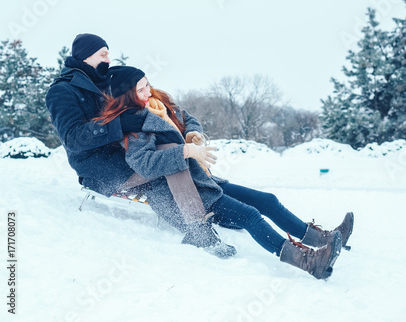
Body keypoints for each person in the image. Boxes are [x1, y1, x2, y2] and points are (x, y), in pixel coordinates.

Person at [94, 65, 355, 279]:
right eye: (141, 89)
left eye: (147, 83)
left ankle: (324, 239)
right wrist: (185, 152)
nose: (148, 90)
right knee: (250, 216)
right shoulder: (134, 125)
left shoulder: (158, 104)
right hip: (185, 193)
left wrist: (192, 133)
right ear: (127, 95)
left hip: (202, 179)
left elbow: (185, 117)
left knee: (268, 201)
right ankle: (309, 262)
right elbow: (145, 164)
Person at [45, 34, 235, 258]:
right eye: (102, 54)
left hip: (131, 153)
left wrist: (183, 130)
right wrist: (118, 124)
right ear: (85, 57)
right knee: (169, 161)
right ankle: (199, 231)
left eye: (108, 53)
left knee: (170, 159)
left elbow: (170, 110)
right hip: (100, 167)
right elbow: (73, 138)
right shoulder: (61, 91)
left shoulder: (108, 82)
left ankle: (224, 216)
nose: (108, 59)